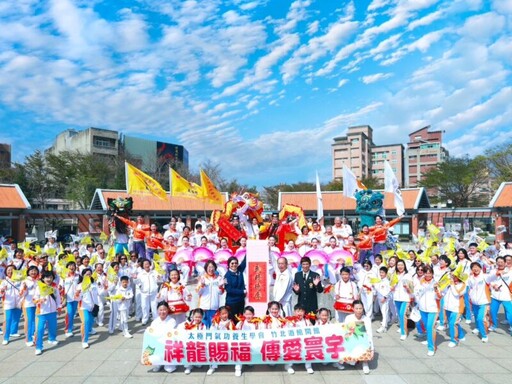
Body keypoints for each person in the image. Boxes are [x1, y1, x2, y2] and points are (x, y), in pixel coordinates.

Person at [414, 265, 440, 356]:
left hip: (433, 308)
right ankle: (429, 339)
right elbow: (416, 293)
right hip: (422, 308)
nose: (428, 274)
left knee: (430, 327)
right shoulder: (420, 282)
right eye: (426, 272)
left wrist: (437, 290)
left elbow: (440, 296)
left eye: (430, 273)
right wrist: (418, 303)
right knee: (427, 327)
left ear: (432, 273)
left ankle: (431, 347)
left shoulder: (436, 283)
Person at [33, 270, 61, 355]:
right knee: (40, 329)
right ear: (43, 278)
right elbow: (34, 299)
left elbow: (58, 298)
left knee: (53, 326)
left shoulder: (55, 287)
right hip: (42, 312)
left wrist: (59, 307)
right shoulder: (39, 287)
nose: (49, 279)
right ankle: (38, 347)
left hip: (52, 311)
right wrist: (40, 300)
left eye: (51, 277)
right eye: (47, 277)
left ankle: (52, 339)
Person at [342, 300, 374, 374]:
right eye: (357, 308)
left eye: (360, 308)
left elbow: (369, 334)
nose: (359, 311)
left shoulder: (366, 319)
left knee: (366, 342)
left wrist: (372, 350)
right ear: (353, 308)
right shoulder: (348, 318)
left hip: (363, 340)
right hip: (352, 339)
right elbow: (345, 332)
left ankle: (365, 363)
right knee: (351, 362)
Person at [285, 304, 314, 374]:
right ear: (294, 312)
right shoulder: (290, 320)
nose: (299, 313)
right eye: (298, 311)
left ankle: (308, 366)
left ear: (304, 312)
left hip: (304, 342)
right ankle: (288, 366)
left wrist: (310, 323)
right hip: (293, 342)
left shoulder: (306, 320)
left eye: (301, 311)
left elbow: (313, 330)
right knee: (290, 350)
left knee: (309, 349)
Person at [150, 301, 177, 373]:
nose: (162, 312)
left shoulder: (172, 320)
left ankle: (168, 363)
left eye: (164, 310)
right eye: (160, 310)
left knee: (169, 369)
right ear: (157, 310)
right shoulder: (154, 322)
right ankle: (158, 364)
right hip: (158, 342)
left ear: (168, 310)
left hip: (167, 343)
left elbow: (169, 333)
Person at [75, 269, 100, 348]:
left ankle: (89, 329)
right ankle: (84, 341)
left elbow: (99, 293)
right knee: (86, 321)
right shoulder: (80, 285)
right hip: (84, 306)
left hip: (93, 306)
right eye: (86, 274)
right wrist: (78, 294)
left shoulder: (94, 284)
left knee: (91, 321)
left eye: (90, 274)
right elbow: (77, 298)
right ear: (83, 275)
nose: (88, 276)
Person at [196, 260, 225, 327]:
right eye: (209, 267)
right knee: (203, 327)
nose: (211, 269)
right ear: (206, 268)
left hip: (214, 308)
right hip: (204, 307)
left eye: (212, 267)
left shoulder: (219, 278)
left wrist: (220, 287)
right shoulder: (202, 278)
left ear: (215, 268)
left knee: (213, 327)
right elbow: (198, 292)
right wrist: (202, 285)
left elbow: (221, 293)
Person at [487, 256, 512, 333]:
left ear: (505, 263)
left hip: (506, 295)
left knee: (510, 312)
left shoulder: (510, 271)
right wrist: (493, 285)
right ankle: (494, 325)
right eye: (498, 262)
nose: (500, 264)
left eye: (502, 262)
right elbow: (488, 280)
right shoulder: (493, 271)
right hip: (495, 295)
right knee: (493, 311)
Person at [467, 262, 490, 342]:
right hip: (474, 301)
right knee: (476, 317)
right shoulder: (471, 278)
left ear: (480, 268)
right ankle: (477, 327)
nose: (475, 269)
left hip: (483, 302)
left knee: (480, 318)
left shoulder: (485, 277)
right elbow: (469, 287)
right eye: (473, 267)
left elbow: (492, 279)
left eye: (477, 267)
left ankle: (484, 335)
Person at [443, 270, 467, 347]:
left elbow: (456, 293)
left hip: (457, 308)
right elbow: (443, 292)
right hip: (448, 307)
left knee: (452, 324)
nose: (452, 276)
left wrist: (452, 284)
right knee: (454, 323)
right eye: (451, 275)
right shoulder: (449, 284)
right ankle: (461, 335)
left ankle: (454, 340)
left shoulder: (463, 285)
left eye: (454, 275)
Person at [234, 306, 260, 376]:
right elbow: (234, 334)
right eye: (246, 314)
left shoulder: (257, 323)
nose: (248, 316)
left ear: (253, 314)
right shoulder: (240, 323)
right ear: (244, 314)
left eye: (250, 314)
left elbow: (260, 335)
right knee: (238, 351)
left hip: (252, 345)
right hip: (242, 344)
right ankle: (238, 368)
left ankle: (249, 360)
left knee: (250, 364)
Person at [0, 264, 22, 345]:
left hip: (18, 301)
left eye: (12, 269)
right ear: (6, 271)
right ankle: (6, 337)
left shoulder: (20, 280)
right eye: (8, 270)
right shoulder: (4, 281)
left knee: (16, 318)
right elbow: (0, 292)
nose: (10, 271)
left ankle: (14, 331)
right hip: (8, 302)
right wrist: (2, 290)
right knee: (8, 319)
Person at [392, 260, 413, 340]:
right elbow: (392, 286)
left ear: (404, 266)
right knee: (399, 314)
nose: (400, 267)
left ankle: (404, 333)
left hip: (405, 298)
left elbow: (411, 288)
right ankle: (401, 327)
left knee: (402, 314)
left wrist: (408, 288)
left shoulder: (408, 275)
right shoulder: (395, 275)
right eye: (398, 265)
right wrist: (392, 287)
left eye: (401, 265)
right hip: (397, 297)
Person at [181, 308, 206, 374]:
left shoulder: (203, 326)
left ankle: (196, 362)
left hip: (199, 344)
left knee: (199, 362)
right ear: (193, 316)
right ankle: (188, 366)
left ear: (202, 317)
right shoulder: (188, 324)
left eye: (199, 317)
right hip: (190, 344)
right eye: (196, 317)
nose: (197, 319)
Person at [136, 259, 160, 326]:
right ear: (143, 266)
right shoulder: (140, 274)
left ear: (150, 265)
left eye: (147, 264)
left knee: (154, 306)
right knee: (144, 307)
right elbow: (137, 282)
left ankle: (156, 320)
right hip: (144, 293)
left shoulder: (154, 272)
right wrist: (138, 282)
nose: (146, 265)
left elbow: (159, 280)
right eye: (145, 264)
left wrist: (159, 277)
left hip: (153, 293)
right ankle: (145, 320)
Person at [60, 261, 80, 338]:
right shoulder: (64, 277)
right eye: (70, 266)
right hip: (68, 298)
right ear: (67, 267)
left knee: (73, 313)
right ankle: (68, 330)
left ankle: (71, 325)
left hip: (76, 297)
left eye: (73, 266)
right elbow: (60, 287)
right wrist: (60, 288)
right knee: (69, 313)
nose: (72, 267)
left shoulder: (78, 276)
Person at [20, 266, 39, 346]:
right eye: (31, 271)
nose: (33, 272)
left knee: (36, 320)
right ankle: (28, 339)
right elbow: (22, 294)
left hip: (37, 303)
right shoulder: (25, 281)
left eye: (35, 271)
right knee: (30, 320)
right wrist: (24, 289)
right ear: (28, 272)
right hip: (29, 303)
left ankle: (33, 335)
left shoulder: (39, 281)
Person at [224, 256, 247, 320]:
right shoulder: (227, 276)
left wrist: (249, 247)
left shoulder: (239, 270)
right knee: (232, 321)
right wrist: (242, 291)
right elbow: (229, 290)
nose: (234, 265)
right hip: (232, 302)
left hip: (241, 301)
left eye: (236, 263)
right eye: (232, 263)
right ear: (228, 264)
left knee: (240, 320)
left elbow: (245, 261)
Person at [375, 266, 391, 333]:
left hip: (384, 299)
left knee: (384, 313)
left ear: (386, 273)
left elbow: (389, 291)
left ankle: (384, 327)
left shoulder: (387, 281)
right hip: (379, 298)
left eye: (383, 273)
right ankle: (385, 325)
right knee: (383, 312)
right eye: (380, 272)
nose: (381, 274)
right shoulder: (380, 280)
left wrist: (385, 297)